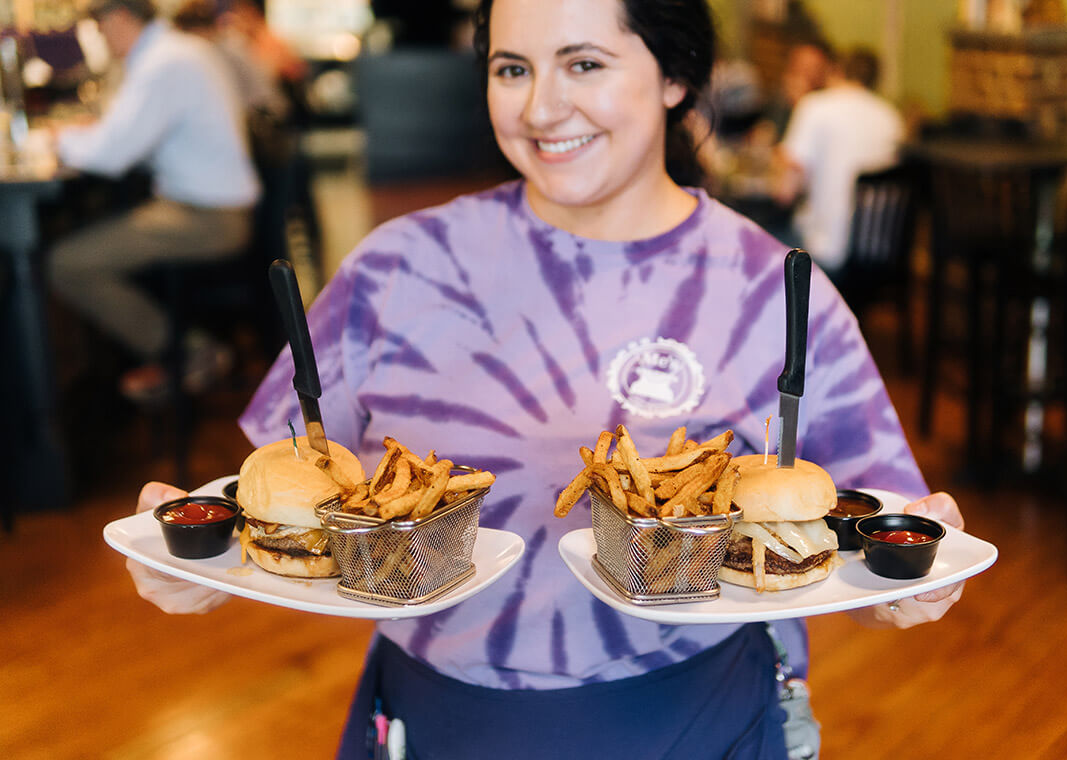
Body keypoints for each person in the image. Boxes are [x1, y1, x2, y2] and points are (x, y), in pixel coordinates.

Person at [126, 1, 965, 758]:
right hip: (441, 720)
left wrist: (907, 586)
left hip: (692, 722)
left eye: (585, 63)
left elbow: (866, 532)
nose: (540, 108)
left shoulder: (766, 288)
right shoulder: (396, 266)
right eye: (512, 69)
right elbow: (279, 506)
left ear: (674, 76)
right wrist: (192, 566)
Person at [48, 0, 259, 401]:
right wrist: (95, 135)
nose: (98, 33)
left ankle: (190, 353)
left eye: (99, 23)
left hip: (209, 217)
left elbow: (111, 154)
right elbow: (129, 137)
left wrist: (56, 139)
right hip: (213, 206)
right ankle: (161, 355)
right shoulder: (176, 51)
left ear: (121, 17)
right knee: (94, 235)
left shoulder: (164, 62)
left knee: (66, 263)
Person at [772, 47, 905, 278]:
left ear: (836, 71)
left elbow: (784, 193)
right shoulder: (893, 118)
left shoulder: (815, 106)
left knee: (762, 235)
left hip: (824, 253)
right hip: (880, 252)